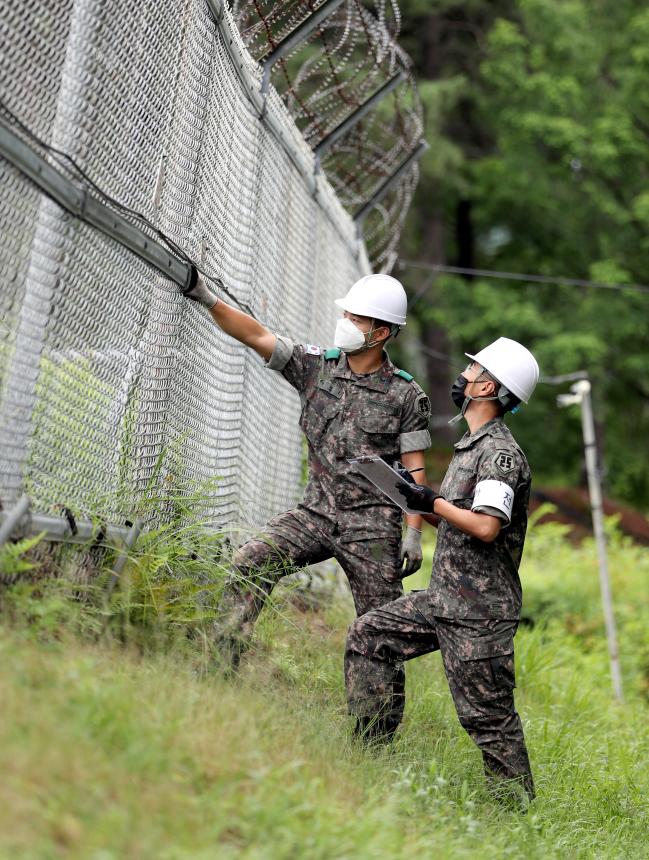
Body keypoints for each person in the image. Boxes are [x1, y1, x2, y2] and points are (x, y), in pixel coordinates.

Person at [183, 268, 432, 669]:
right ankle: (217, 669)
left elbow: (414, 471)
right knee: (251, 562)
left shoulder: (406, 395)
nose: (345, 324)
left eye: (356, 318)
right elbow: (257, 336)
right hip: (315, 514)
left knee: (379, 629)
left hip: (371, 527)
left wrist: (414, 533)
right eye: (346, 314)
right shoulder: (316, 367)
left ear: (381, 332)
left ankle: (374, 729)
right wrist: (207, 297)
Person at [344, 337, 539, 803]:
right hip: (443, 600)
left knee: (488, 721)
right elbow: (460, 520)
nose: (464, 375)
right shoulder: (470, 447)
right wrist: (419, 503)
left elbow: (488, 527)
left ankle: (515, 816)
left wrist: (433, 501)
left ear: (488, 386)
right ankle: (370, 755)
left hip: (479, 614)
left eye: (473, 369)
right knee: (369, 638)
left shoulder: (498, 455)